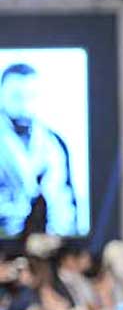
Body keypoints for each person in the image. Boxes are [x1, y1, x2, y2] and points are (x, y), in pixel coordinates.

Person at [0, 63, 78, 237]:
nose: (25, 104)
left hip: (50, 243)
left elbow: (63, 200)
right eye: (17, 97)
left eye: (31, 96)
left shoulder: (53, 144)